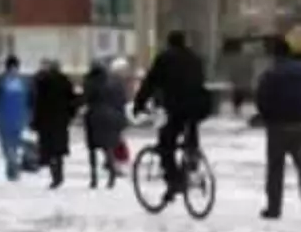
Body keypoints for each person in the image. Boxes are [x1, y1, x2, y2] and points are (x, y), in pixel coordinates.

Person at [133, 31, 212, 196]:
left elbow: (150, 82)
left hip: (177, 107)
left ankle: (175, 181)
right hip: (199, 107)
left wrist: (139, 104)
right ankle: (192, 159)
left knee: (165, 145)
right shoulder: (195, 58)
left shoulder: (165, 58)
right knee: (190, 134)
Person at [253, 35, 301, 223]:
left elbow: (261, 98)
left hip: (277, 125)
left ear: (275, 54)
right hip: (300, 123)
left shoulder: (271, 73)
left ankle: (274, 207)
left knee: (275, 167)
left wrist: (266, 115)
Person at [31, 59, 78, 189]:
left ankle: (55, 176)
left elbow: (38, 103)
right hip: (61, 121)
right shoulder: (65, 81)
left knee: (49, 150)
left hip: (46, 121)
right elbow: (72, 100)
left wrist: (35, 121)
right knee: (58, 151)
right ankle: (59, 175)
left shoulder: (42, 82)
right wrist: (70, 115)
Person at [81, 60, 128, 190]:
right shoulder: (115, 83)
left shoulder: (89, 82)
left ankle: (94, 178)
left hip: (94, 117)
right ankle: (112, 175)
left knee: (92, 149)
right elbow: (122, 100)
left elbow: (86, 98)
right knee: (108, 147)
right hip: (111, 117)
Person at [0, 56, 31, 182]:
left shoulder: (1, 81)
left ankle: (12, 167)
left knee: (10, 145)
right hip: (13, 117)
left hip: (11, 117)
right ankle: (12, 166)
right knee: (10, 145)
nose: (14, 70)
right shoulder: (22, 82)